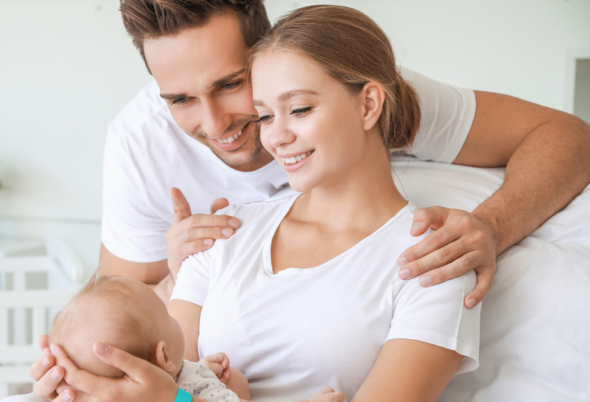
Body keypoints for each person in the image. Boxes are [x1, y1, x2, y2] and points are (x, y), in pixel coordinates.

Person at [31, 0, 590, 399]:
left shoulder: (423, 247)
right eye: (180, 99)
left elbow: (567, 137)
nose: (219, 124)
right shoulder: (154, 161)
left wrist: (488, 226)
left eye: (233, 86)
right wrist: (81, 371)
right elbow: (122, 330)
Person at [169, 5, 481, 400]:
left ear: (368, 104)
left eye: (299, 109)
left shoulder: (435, 262)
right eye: (264, 117)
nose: (276, 137)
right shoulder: (225, 232)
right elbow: (158, 384)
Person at [46, 275, 343, 402]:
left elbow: (232, 387)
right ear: (164, 357)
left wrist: (200, 370)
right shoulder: (185, 391)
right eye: (169, 315)